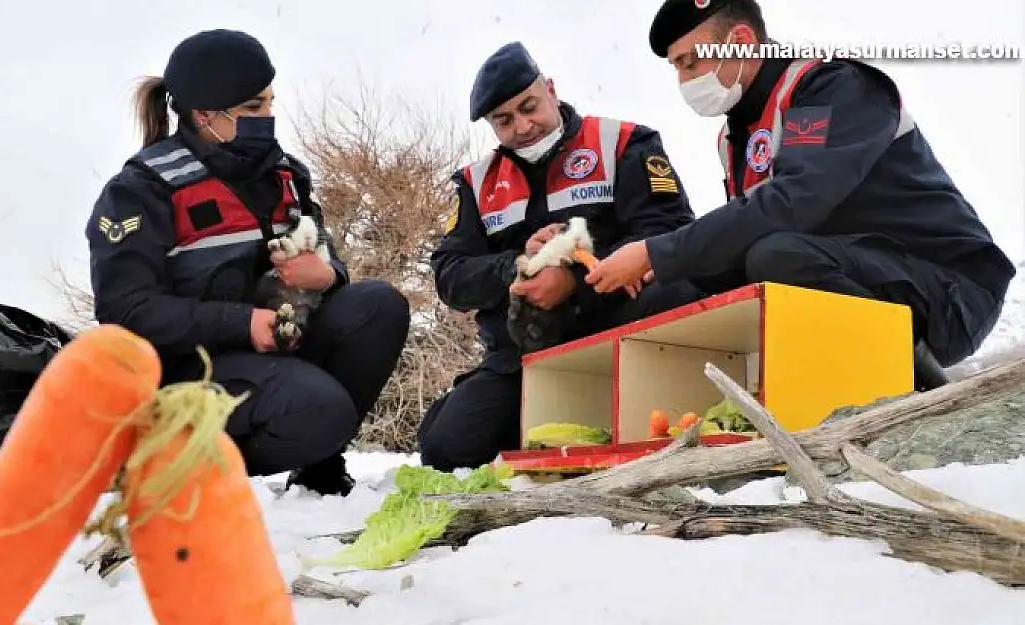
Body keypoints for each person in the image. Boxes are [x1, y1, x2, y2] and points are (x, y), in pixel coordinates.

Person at [587, 0, 1016, 390]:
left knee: (774, 256)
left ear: (740, 42)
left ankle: (919, 392)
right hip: (857, 269)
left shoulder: (832, 87)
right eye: (676, 69)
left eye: (689, 62)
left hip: (950, 286)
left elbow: (796, 201)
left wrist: (658, 250)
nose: (683, 80)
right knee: (677, 280)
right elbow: (743, 228)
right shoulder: (735, 137)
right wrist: (656, 265)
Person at [85, 29, 410, 496]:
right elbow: (124, 310)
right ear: (204, 115)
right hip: (187, 368)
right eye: (253, 108)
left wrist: (329, 274)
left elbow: (326, 250)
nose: (268, 117)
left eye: (270, 103)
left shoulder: (285, 174)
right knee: (320, 409)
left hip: (275, 345)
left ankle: (319, 464)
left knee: (377, 305)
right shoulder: (140, 190)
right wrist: (240, 323)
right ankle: (178, 471)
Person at [418, 41, 703, 471]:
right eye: (504, 120)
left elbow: (669, 230)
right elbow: (450, 276)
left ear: (550, 90)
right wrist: (516, 265)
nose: (522, 126)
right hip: (520, 352)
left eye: (529, 106)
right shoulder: (476, 184)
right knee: (444, 450)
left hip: (615, 322)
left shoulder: (624, 143)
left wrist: (572, 280)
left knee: (681, 286)